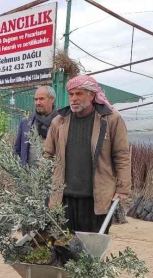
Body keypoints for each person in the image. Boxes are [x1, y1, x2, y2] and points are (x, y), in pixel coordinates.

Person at [44, 75, 131, 234]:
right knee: (63, 247)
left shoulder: (110, 119)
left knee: (90, 250)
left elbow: (122, 155)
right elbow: (47, 154)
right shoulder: (59, 121)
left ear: (92, 95)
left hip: (96, 198)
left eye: (79, 94)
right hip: (64, 198)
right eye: (71, 94)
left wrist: (123, 188)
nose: (74, 98)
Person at [14, 85, 59, 167]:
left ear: (52, 99)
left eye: (41, 99)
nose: (37, 103)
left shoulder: (62, 122)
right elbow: (17, 150)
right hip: (28, 176)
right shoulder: (26, 123)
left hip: (52, 176)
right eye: (36, 99)